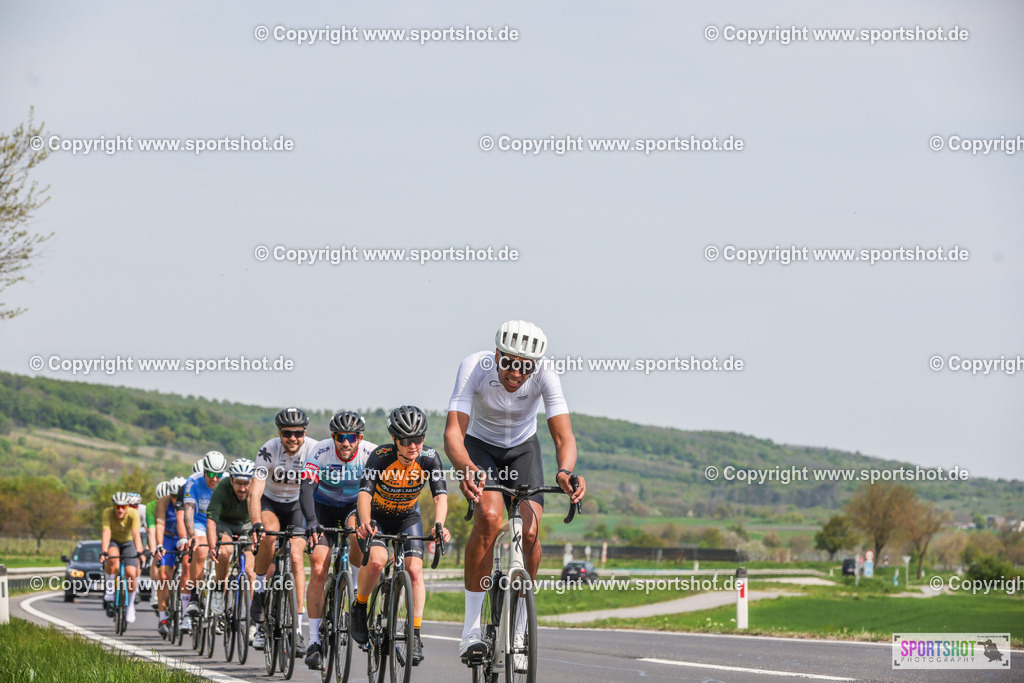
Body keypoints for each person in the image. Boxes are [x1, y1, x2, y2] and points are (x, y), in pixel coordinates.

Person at [444, 320, 586, 663]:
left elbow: (563, 436)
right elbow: (452, 434)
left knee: (532, 531)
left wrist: (565, 472)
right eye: (508, 362)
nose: (516, 372)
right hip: (480, 449)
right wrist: (468, 469)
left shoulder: (546, 375)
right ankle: (472, 630)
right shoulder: (474, 367)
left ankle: (520, 628)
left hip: (524, 450)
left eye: (525, 366)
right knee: (490, 518)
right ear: (496, 355)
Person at [351, 405, 450, 666]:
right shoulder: (381, 456)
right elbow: (364, 494)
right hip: (377, 517)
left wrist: (439, 524)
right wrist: (364, 522)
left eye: (418, 439)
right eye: (406, 441)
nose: (413, 446)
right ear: (395, 440)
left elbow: (440, 495)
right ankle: (360, 606)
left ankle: (415, 634)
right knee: (376, 560)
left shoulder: (430, 457)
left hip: (408, 517)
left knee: (415, 570)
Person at [303, 411, 376, 669]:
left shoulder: (371, 453)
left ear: (360, 437)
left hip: (353, 507)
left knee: (357, 533)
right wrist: (311, 520)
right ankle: (313, 641)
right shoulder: (320, 451)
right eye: (340, 437)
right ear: (333, 437)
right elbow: (306, 489)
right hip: (322, 507)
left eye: (351, 437)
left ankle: (355, 592)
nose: (346, 443)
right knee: (319, 564)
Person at [248, 407, 321, 654]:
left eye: (298, 433)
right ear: (279, 433)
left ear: (304, 433)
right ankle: (259, 589)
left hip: (298, 505)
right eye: (287, 433)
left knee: (297, 558)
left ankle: (298, 630)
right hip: (271, 502)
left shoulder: (313, 449)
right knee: (268, 534)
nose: (293, 438)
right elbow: (255, 491)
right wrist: (256, 522)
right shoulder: (268, 450)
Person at [183, 451, 229, 629]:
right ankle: (194, 597)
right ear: (204, 471)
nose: (215, 479)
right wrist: (191, 535)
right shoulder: (193, 481)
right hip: (200, 522)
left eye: (218, 475)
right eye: (211, 474)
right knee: (201, 550)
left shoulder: (227, 481)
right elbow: (188, 510)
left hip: (221, 523)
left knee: (224, 554)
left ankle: (219, 600)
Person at [206, 458, 257, 618]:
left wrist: (257, 540)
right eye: (238, 483)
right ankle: (220, 589)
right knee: (225, 551)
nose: (243, 488)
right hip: (225, 523)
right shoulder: (222, 487)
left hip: (248, 524)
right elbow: (211, 520)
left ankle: (255, 618)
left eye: (246, 483)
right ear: (232, 480)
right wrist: (212, 546)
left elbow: (262, 516)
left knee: (250, 570)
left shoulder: (258, 487)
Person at [100, 491, 148, 624]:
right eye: (117, 506)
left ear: (127, 506)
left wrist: (140, 552)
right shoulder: (107, 513)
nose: (120, 509)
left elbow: (135, 533)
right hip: (114, 541)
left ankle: (130, 605)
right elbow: (106, 532)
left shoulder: (133, 514)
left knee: (131, 573)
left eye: (123, 507)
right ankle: (109, 591)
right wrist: (104, 551)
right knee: (113, 559)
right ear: (113, 506)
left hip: (128, 542)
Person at [154, 476, 187, 636]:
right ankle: (163, 617)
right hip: (168, 538)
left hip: (183, 537)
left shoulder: (189, 498)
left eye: (178, 496)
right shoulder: (163, 502)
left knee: (189, 568)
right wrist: (159, 545)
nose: (175, 500)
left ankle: (187, 611)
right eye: (173, 496)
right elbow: (159, 526)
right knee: (163, 577)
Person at [146, 483, 166, 611]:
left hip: (171, 533)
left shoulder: (175, 505)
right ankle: (155, 590)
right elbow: (151, 530)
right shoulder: (151, 506)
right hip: (157, 533)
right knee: (156, 557)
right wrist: (154, 550)